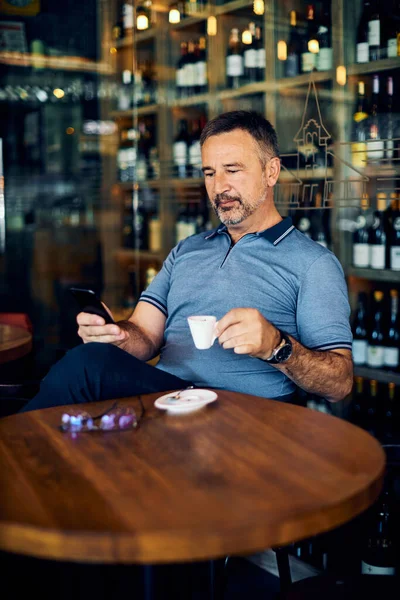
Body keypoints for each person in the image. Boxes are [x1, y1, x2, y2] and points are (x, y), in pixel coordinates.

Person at [21, 110, 353, 413]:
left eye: (233, 170)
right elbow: (145, 336)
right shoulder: (187, 250)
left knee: (86, 368)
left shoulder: (313, 263)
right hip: (168, 398)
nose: (219, 186)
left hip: (245, 412)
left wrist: (277, 347)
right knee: (91, 363)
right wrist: (117, 336)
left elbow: (340, 384)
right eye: (209, 172)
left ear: (271, 171)